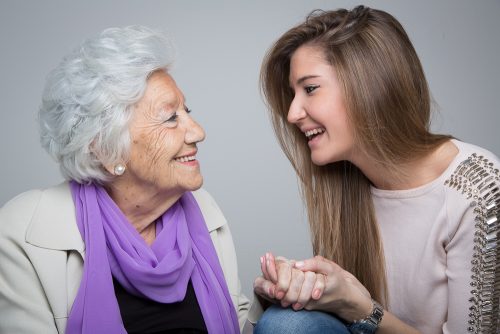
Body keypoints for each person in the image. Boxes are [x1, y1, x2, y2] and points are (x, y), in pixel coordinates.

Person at [250, 5, 500, 334]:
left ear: (368, 86)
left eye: (310, 89)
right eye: (293, 94)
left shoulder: (477, 189)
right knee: (286, 322)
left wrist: (363, 309)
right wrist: (295, 286)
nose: (293, 113)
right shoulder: (344, 184)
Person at [0, 25, 250, 334]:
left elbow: (236, 322)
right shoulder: (24, 229)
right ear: (107, 150)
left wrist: (273, 299)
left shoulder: (204, 208)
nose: (198, 132)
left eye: (187, 111)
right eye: (170, 117)